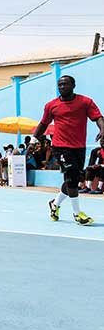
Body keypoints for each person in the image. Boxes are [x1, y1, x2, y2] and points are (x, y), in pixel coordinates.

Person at [34, 75, 104, 226]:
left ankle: (55, 204)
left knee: (73, 179)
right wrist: (33, 140)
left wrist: (103, 129)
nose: (62, 87)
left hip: (79, 147)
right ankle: (77, 214)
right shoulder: (51, 105)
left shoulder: (85, 102)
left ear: (73, 85)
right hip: (60, 147)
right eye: (59, 85)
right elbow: (43, 123)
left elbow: (98, 117)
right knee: (72, 177)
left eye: (65, 84)